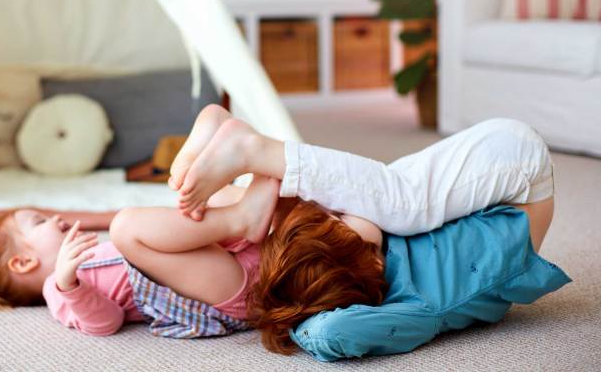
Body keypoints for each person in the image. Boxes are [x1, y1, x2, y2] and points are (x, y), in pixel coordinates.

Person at [0, 172, 388, 339]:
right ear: (23, 262)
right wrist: (67, 283)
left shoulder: (97, 251)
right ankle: (242, 218)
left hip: (238, 261)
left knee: (363, 232)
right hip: (223, 293)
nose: (56, 218)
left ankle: (344, 233)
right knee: (127, 224)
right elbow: (105, 323)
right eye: (39, 222)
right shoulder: (58, 289)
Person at [169, 104, 554, 241]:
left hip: (506, 171)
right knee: (399, 205)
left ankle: (247, 157)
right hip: (515, 163)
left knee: (394, 204)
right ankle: (251, 149)